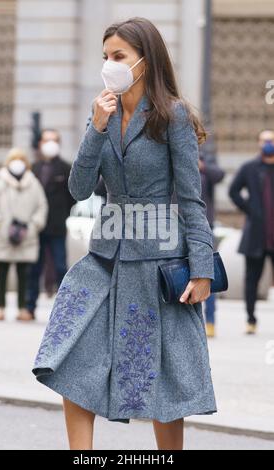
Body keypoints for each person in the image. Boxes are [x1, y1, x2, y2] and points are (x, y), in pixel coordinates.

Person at [32, 17, 217, 451]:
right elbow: (78, 189)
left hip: (159, 264)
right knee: (71, 353)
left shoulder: (173, 117)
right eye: (106, 57)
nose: (110, 65)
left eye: (119, 57)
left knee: (165, 377)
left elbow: (192, 200)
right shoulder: (102, 113)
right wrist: (95, 128)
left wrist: (202, 268)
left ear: (144, 61)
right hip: (104, 259)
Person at [0, 148, 48, 321]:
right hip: (3, 236)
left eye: (20, 159)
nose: (17, 162)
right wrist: (2, 226)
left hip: (26, 236)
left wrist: (32, 226)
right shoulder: (0, 184)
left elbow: (41, 207)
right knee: (2, 273)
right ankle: (1, 307)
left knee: (23, 274)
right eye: (14, 159)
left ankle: (22, 308)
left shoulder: (33, 183)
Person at [25, 128, 76, 320]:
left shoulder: (65, 168)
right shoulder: (34, 168)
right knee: (34, 268)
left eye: (54, 140)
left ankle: (63, 311)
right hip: (36, 227)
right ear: (40, 144)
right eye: (47, 140)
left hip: (57, 225)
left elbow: (73, 196)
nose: (50, 144)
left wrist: (62, 211)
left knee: (61, 266)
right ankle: (29, 307)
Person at [229, 130, 274, 335]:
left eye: (271, 141)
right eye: (265, 140)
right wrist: (250, 209)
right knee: (251, 280)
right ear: (258, 143)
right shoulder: (249, 168)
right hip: (256, 234)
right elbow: (233, 191)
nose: (268, 144)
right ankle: (250, 319)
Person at [198, 144, 225, 338]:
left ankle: (211, 321)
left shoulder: (206, 158)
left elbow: (219, 175)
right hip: (174, 223)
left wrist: (201, 166)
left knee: (208, 273)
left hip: (204, 224)